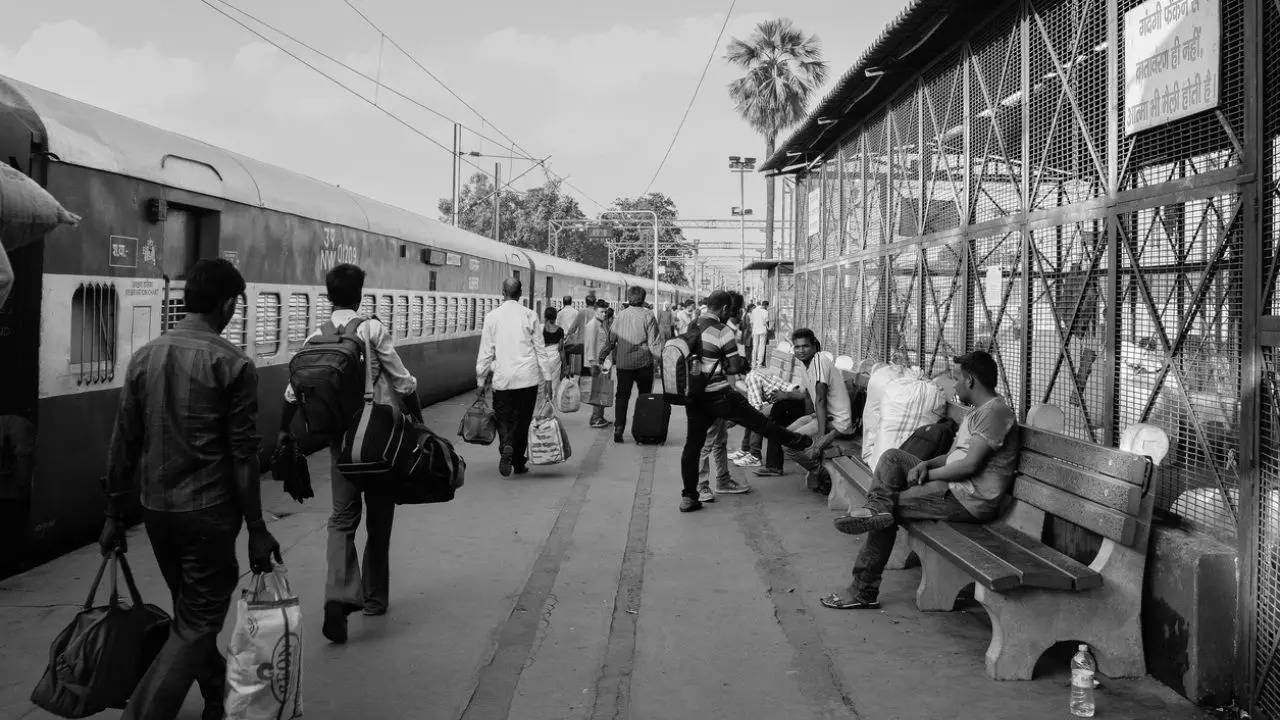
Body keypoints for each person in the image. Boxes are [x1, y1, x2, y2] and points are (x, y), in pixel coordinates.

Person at [100, 258, 281, 720]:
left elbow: (124, 442)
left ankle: (217, 692)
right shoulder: (233, 364)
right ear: (226, 304)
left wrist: (113, 514)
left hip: (157, 511)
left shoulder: (146, 356)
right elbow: (244, 456)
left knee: (190, 617)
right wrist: (257, 528)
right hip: (210, 515)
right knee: (198, 622)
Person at [277, 263, 423, 643]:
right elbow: (403, 382)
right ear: (361, 294)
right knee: (378, 520)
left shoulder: (315, 338)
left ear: (328, 297)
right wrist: (419, 424)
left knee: (341, 519)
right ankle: (374, 599)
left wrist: (282, 432)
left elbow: (292, 395)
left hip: (339, 443)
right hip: (377, 440)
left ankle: (337, 596)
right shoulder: (372, 329)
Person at [822, 350, 1020, 610]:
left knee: (887, 509)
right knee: (893, 458)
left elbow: (969, 466)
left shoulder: (995, 412)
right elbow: (952, 457)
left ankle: (863, 589)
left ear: (970, 380)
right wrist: (927, 464)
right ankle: (876, 507)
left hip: (967, 499)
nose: (955, 384)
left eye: (957, 378)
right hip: (952, 486)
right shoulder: (978, 412)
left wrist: (930, 475)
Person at [678, 290, 813, 513]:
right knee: (758, 421)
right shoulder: (722, 331)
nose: (731, 314)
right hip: (718, 394)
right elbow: (733, 368)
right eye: (729, 310)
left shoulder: (692, 325)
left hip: (694, 395)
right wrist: (738, 361)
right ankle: (800, 442)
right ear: (723, 310)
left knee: (693, 446)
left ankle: (690, 496)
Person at [751, 329, 853, 491]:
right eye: (797, 347)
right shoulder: (807, 366)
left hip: (836, 422)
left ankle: (822, 473)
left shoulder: (820, 361)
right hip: (821, 416)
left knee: (789, 445)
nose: (801, 350)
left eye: (805, 346)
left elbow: (819, 399)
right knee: (783, 435)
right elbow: (806, 395)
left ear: (814, 346)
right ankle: (818, 469)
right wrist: (786, 395)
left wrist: (820, 435)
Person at [476, 278, 557, 476]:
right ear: (520, 293)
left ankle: (506, 446)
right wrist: (548, 379)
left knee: (503, 418)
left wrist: (480, 381)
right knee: (522, 420)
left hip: (502, 380)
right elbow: (540, 350)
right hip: (527, 379)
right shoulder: (530, 315)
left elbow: (485, 352)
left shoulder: (492, 317)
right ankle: (519, 463)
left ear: (502, 292)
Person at [598, 286, 661, 443]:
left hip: (624, 365)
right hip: (644, 364)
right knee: (644, 398)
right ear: (643, 298)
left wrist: (603, 355)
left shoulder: (620, 316)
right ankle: (641, 430)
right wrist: (661, 360)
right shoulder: (648, 315)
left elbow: (611, 340)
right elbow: (654, 343)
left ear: (629, 298)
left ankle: (619, 428)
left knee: (622, 397)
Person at [542, 305, 568, 389]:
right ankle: (551, 401)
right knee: (554, 384)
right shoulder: (560, 330)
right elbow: (561, 349)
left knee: (542, 384)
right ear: (556, 317)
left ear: (545, 317)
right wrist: (564, 366)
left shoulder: (540, 329)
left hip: (543, 359)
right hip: (555, 361)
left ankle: (543, 401)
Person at [557, 295, 581, 377]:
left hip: (563, 339)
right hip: (573, 338)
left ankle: (564, 373)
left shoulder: (559, 313)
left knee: (564, 357)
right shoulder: (576, 312)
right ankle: (572, 373)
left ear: (563, 302)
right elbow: (578, 326)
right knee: (573, 357)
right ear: (571, 302)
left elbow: (557, 326)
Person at [750, 301, 772, 367]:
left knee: (755, 347)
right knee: (761, 347)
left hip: (755, 331)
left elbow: (751, 322)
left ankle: (753, 364)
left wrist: (752, 331)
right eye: (767, 307)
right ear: (766, 306)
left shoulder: (754, 311)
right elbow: (766, 322)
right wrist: (769, 328)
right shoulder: (765, 312)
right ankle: (759, 364)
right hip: (763, 330)